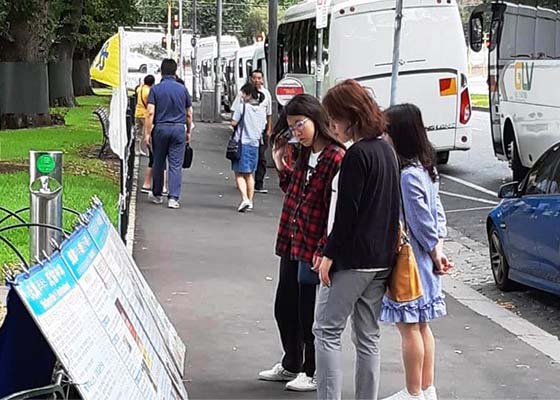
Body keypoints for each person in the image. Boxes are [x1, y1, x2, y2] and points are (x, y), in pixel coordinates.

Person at [313, 79, 401, 400]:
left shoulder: (356, 156)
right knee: (368, 337)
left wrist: (328, 254)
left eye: (335, 117)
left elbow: (347, 214)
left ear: (351, 115)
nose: (332, 125)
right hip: (380, 260)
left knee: (326, 331)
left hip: (352, 259)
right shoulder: (386, 150)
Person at [258, 94, 344, 392]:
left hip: (314, 245)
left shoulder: (335, 156)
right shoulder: (305, 154)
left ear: (315, 120)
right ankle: (292, 361)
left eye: (299, 125)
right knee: (286, 305)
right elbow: (294, 191)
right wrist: (283, 166)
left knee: (310, 311)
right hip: (293, 239)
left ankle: (312, 369)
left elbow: (334, 208)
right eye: (292, 126)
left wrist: (325, 248)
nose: (296, 132)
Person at [379, 104, 453, 400]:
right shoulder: (426, 168)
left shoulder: (407, 175)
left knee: (409, 326)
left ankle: (412, 392)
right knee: (422, 326)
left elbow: (420, 222)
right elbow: (437, 214)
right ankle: (426, 387)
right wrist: (440, 250)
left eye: (387, 130)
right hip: (427, 258)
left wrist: (435, 254)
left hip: (413, 261)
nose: (384, 136)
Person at [144, 59, 193, 209]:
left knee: (158, 162)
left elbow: (150, 112)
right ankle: (173, 198)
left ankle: (158, 194)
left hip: (160, 129)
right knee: (176, 164)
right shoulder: (182, 90)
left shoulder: (156, 89)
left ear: (161, 71)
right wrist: (188, 131)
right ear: (175, 71)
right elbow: (189, 113)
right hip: (178, 129)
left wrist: (147, 133)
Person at [230, 83, 267, 212]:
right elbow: (263, 127)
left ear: (248, 95)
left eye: (243, 94)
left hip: (242, 143)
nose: (242, 96)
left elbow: (234, 122)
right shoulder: (261, 110)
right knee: (250, 174)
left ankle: (245, 198)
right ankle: (250, 201)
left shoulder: (242, 108)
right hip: (255, 144)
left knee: (239, 174)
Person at [250, 69, 272, 194]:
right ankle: (246, 179)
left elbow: (269, 113)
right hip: (249, 131)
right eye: (255, 78)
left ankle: (259, 183)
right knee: (248, 156)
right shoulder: (245, 93)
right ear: (251, 79)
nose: (257, 80)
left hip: (262, 131)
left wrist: (269, 129)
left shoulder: (266, 94)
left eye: (259, 78)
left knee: (261, 157)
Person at [134, 75, 155, 157]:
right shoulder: (149, 92)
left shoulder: (140, 89)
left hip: (137, 113)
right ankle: (149, 150)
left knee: (138, 133)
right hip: (145, 114)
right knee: (148, 133)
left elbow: (137, 89)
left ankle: (137, 150)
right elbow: (149, 104)